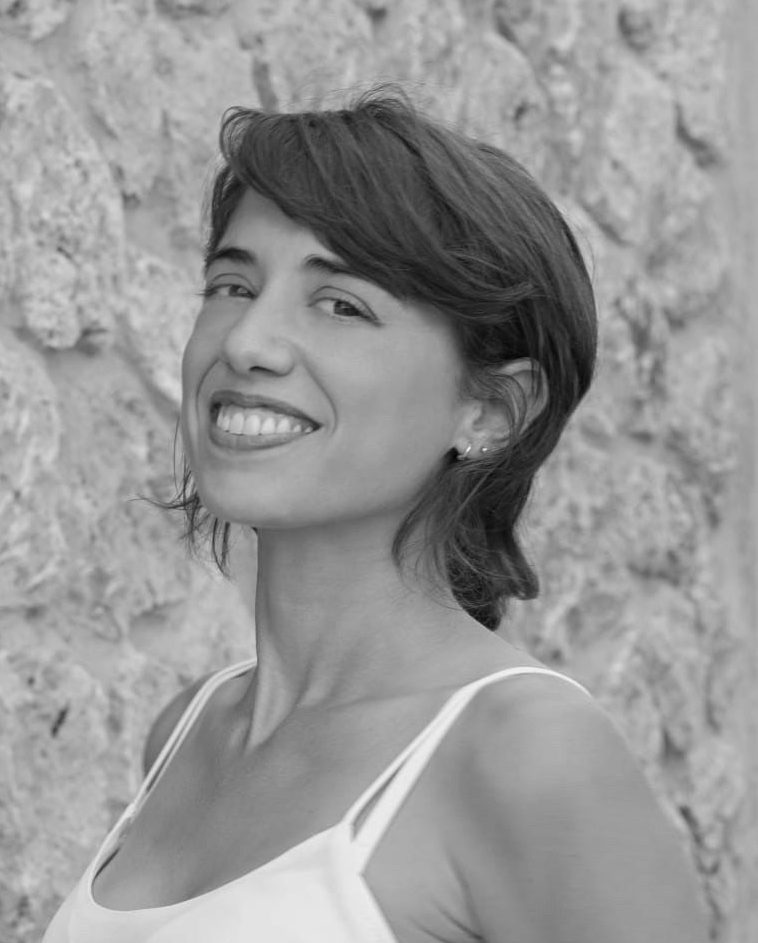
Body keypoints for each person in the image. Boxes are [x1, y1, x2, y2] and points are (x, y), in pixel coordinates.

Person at [43, 87, 708, 943]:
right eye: (233, 284)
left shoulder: (527, 755)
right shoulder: (186, 733)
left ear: (492, 409)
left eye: (342, 304)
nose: (246, 342)